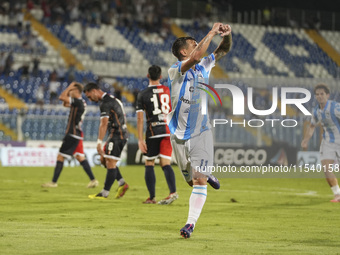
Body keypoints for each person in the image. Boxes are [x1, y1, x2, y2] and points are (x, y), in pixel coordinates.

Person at [167, 23, 232, 238]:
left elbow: (222, 50)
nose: (199, 46)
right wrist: (212, 32)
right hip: (178, 135)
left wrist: (227, 35)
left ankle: (190, 224)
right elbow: (195, 57)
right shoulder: (175, 70)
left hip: (201, 131)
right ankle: (206, 174)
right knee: (188, 180)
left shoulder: (205, 65)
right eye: (195, 44)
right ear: (184, 51)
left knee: (198, 179)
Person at [42, 82, 99, 188]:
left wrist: (69, 87)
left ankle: (53, 182)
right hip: (77, 134)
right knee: (80, 157)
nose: (69, 93)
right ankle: (93, 180)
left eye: (72, 91)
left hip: (72, 134)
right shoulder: (81, 102)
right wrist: (70, 90)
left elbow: (61, 97)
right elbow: (65, 103)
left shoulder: (77, 101)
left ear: (76, 91)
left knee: (60, 157)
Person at [136, 65, 178, 204]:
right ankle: (173, 192)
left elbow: (140, 118)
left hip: (153, 131)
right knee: (165, 162)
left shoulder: (142, 94)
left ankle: (152, 197)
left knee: (149, 162)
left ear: (148, 75)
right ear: (161, 76)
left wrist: (140, 139)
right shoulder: (168, 91)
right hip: (167, 130)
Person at [84, 82, 129, 199]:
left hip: (117, 134)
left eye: (89, 96)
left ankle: (105, 193)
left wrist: (99, 142)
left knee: (110, 162)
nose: (90, 99)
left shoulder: (105, 103)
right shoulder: (113, 99)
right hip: (118, 133)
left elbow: (103, 123)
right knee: (104, 159)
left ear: (94, 91)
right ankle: (122, 183)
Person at [301, 83, 340, 203]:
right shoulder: (316, 111)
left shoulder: (335, 107)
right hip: (327, 141)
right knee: (326, 168)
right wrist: (305, 140)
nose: (319, 96)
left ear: (327, 95)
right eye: (317, 94)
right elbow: (312, 126)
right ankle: (337, 194)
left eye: (322, 94)